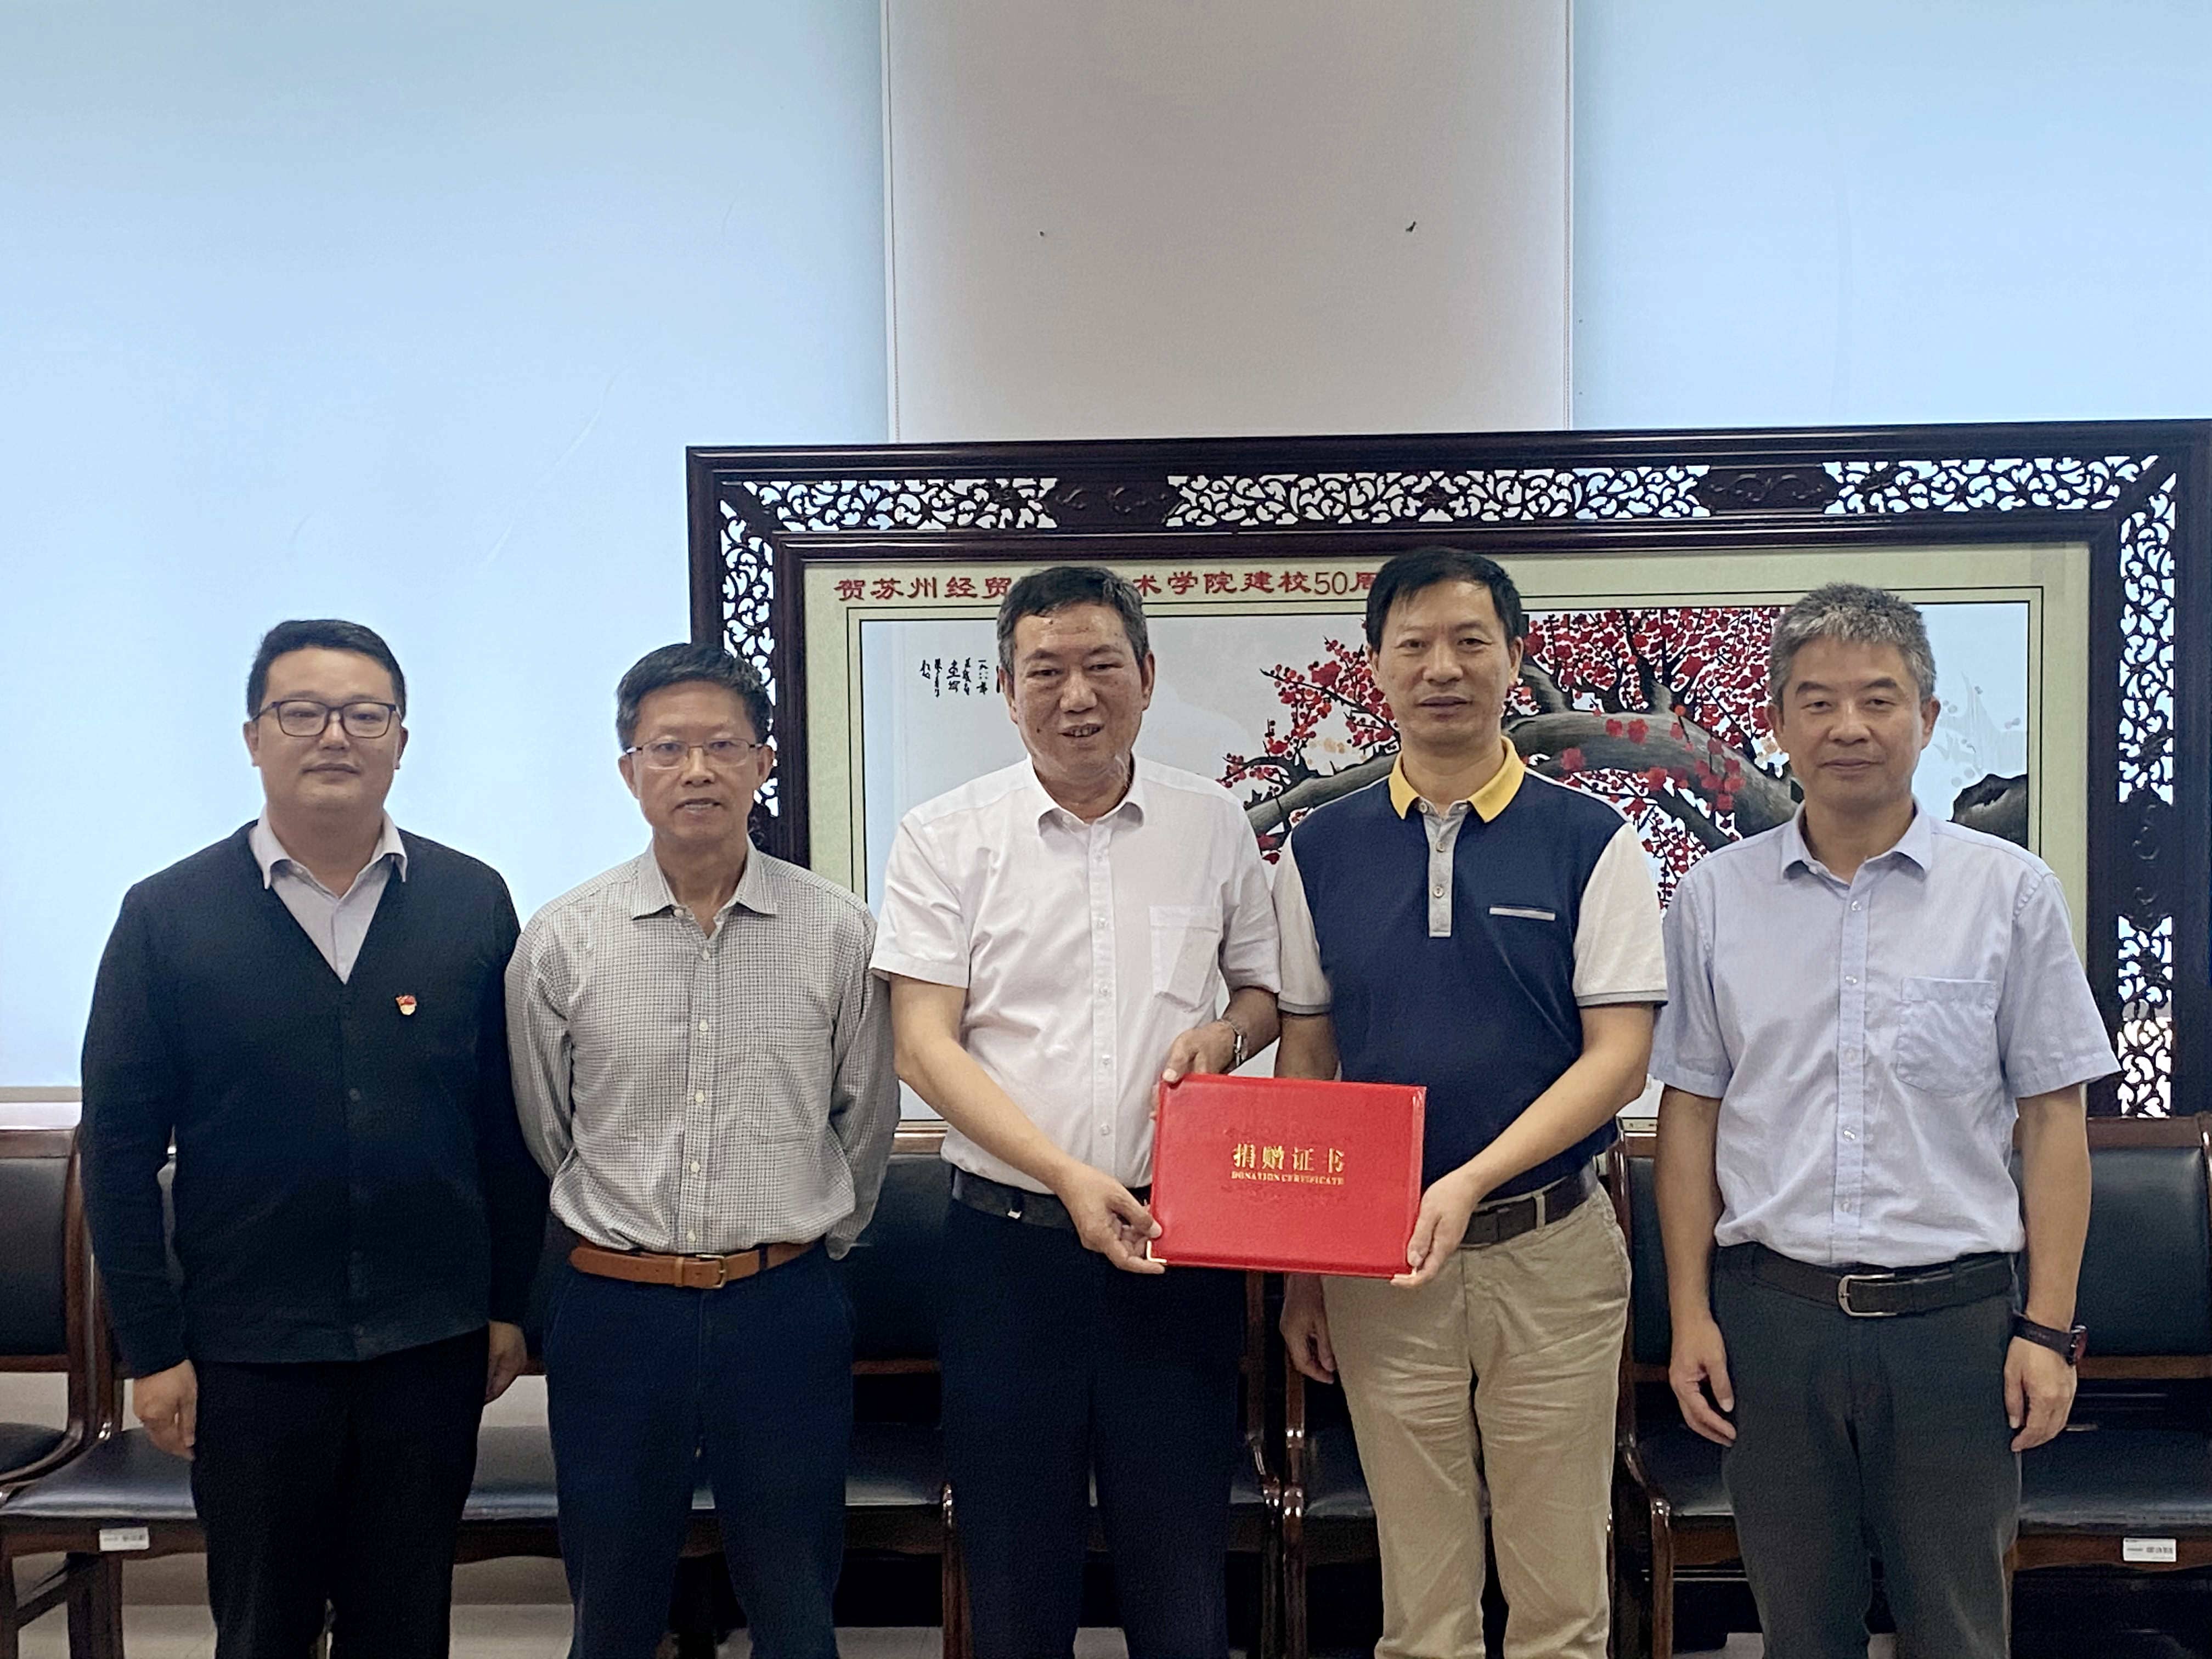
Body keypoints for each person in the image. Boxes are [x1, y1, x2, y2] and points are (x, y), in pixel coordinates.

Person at [1651, 583, 2114, 1659]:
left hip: (1954, 1326)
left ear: (1928, 718)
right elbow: (1691, 1116)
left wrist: (2047, 1331)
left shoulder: (2010, 893)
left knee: (1960, 1626)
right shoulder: (1715, 898)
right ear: (1777, 722)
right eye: (1817, 702)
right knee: (1798, 1628)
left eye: (1879, 699)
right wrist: (1691, 1315)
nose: (1848, 727)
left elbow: (2055, 1120)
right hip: (1773, 1319)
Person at [79, 618, 546, 1659]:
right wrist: (154, 1352)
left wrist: (509, 1305)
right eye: (302, 713)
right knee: (262, 1628)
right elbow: (115, 1151)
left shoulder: (471, 900)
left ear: (400, 741)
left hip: (429, 1343)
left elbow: (507, 1126)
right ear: (254, 737)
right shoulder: (166, 915)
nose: (334, 736)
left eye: (364, 715)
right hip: (247, 1353)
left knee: (406, 1625)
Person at [874, 565, 1281, 1659]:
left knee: (1182, 1570)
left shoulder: (1212, 821)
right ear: (1007, 693)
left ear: (1147, 675)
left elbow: (1262, 992)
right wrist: (1066, 1175)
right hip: (1007, 1253)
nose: (1077, 695)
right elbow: (923, 1043)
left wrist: (1226, 1038)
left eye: (1103, 665)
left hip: (1176, 1247)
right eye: (1046, 671)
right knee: (1014, 1576)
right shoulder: (945, 835)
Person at [1273, 547, 1666, 1659]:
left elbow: (1619, 1060)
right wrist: (1305, 1266)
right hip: (1381, 1263)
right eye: (1413, 646)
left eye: (1469, 643)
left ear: (1516, 658)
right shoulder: (1318, 849)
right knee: (1422, 1601)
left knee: (1559, 1597)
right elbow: (1308, 1054)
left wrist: (1473, 1177)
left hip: (1551, 1250)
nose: (1441, 668)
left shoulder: (1593, 840)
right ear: (1377, 667)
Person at [508, 642, 898, 1659]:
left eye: (723, 746)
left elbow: (864, 1120)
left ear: (763, 762)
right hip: (616, 1309)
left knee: (796, 1605)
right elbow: (548, 1128)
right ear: (628, 769)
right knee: (611, 1607)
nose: (696, 771)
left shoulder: (839, 932)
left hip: (782, 1307)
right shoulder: (562, 939)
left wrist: (804, 1247)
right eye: (668, 748)